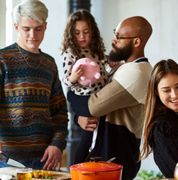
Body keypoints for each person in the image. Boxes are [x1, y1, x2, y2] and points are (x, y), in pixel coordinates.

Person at [67, 16, 153, 180]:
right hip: (103, 158)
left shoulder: (137, 73)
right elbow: (91, 106)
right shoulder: (123, 68)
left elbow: (92, 106)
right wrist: (80, 117)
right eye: (116, 33)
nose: (114, 40)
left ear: (136, 42)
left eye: (119, 37)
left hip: (114, 162)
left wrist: (71, 91)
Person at [0, 0, 68, 170]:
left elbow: (60, 112)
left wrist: (57, 144)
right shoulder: (3, 59)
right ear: (16, 27)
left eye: (38, 29)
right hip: (6, 159)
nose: (33, 35)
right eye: (26, 29)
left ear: (45, 26)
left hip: (44, 160)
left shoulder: (49, 64)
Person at [60, 9, 115, 164]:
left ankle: (88, 165)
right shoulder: (71, 53)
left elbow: (104, 70)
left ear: (93, 32)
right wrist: (74, 77)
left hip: (99, 94)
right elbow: (65, 79)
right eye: (77, 33)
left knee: (94, 132)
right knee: (89, 131)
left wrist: (112, 64)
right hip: (83, 96)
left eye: (86, 32)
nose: (82, 37)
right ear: (71, 34)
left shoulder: (96, 51)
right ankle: (77, 167)